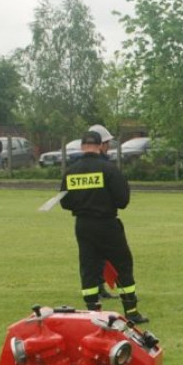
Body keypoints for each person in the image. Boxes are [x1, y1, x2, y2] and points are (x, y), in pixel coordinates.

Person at [59, 126, 148, 323]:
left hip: (83, 225)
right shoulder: (109, 169)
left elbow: (65, 202)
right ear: (100, 146)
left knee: (89, 268)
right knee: (123, 265)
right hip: (107, 224)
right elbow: (122, 200)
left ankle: (93, 312)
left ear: (82, 146)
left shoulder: (71, 171)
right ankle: (131, 311)